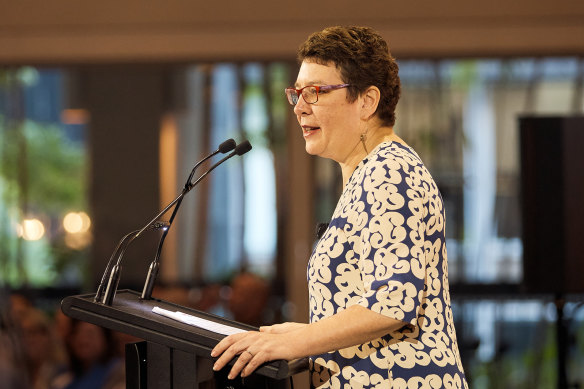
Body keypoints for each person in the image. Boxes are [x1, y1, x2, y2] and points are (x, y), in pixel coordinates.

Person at [212, 25, 468, 388]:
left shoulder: (389, 172)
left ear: (367, 101)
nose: (299, 107)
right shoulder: (368, 172)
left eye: (315, 92)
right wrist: (305, 332)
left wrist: (294, 341)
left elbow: (393, 301)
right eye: (297, 93)